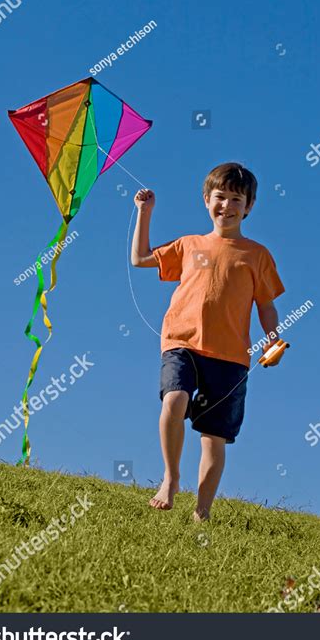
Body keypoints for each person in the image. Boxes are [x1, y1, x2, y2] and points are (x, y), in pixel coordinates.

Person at [131, 162, 285, 522]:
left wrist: (273, 339)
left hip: (231, 356)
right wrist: (145, 211)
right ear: (206, 200)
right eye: (220, 197)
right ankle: (170, 479)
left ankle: (202, 511)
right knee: (174, 401)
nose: (227, 206)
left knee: (213, 438)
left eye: (236, 199)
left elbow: (266, 304)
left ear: (248, 207)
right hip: (181, 342)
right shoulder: (189, 245)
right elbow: (140, 259)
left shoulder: (256, 254)